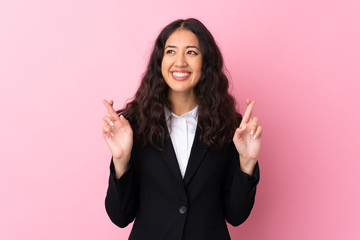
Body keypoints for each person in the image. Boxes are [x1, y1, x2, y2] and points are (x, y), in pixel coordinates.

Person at [102, 18, 262, 240]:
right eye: (170, 51)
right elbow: (120, 217)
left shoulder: (230, 127)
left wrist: (247, 163)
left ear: (206, 61)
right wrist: (121, 159)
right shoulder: (132, 126)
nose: (179, 62)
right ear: (160, 60)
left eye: (191, 52)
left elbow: (236, 215)